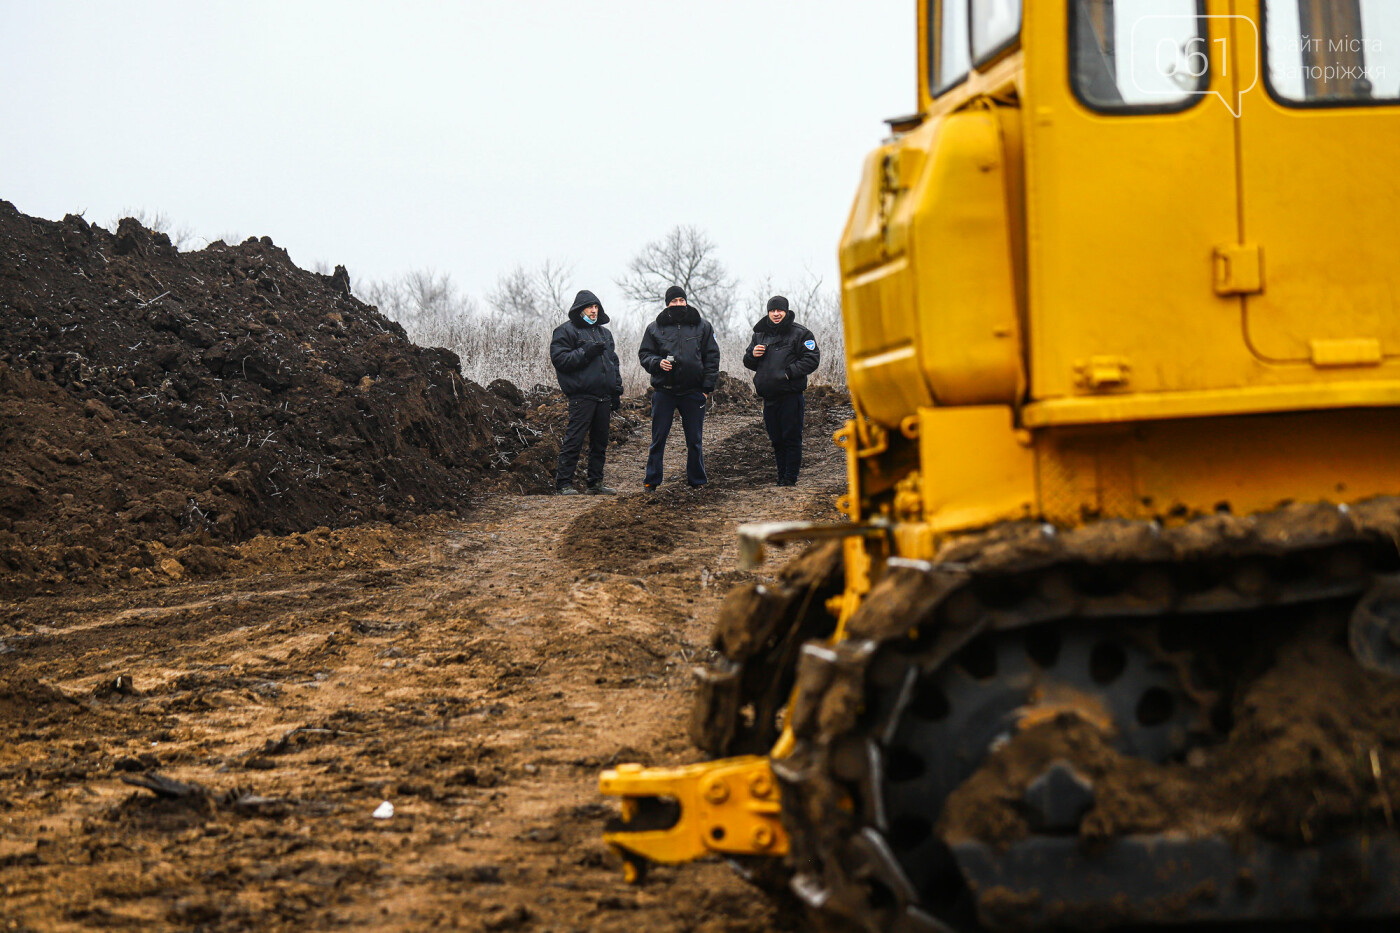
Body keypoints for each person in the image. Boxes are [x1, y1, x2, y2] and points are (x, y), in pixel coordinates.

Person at [638, 285, 720, 489]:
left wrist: (706, 388)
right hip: (664, 391)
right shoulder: (654, 328)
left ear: (686, 301)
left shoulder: (703, 326)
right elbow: (645, 354)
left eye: (681, 301)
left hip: (693, 392)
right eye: (674, 301)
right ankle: (652, 481)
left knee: (694, 440)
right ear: (667, 304)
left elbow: (712, 357)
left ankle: (697, 481)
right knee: (658, 439)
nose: (678, 304)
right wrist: (657, 363)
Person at [549, 289, 622, 495]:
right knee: (575, 439)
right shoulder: (566, 331)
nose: (593, 311)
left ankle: (595, 483)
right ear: (580, 309)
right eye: (590, 307)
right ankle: (564, 484)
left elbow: (613, 363)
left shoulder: (605, 333)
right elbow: (560, 360)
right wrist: (585, 352)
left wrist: (616, 390)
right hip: (582, 396)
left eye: (596, 307)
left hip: (604, 396)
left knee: (600, 442)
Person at [743, 295, 820, 486]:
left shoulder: (801, 334)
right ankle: (781, 477)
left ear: (786, 312)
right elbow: (748, 361)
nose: (776, 314)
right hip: (769, 396)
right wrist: (753, 355)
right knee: (776, 439)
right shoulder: (759, 334)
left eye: (779, 310)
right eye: (772, 310)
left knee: (791, 438)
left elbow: (811, 358)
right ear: (768, 312)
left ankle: (790, 479)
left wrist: (788, 373)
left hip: (790, 395)